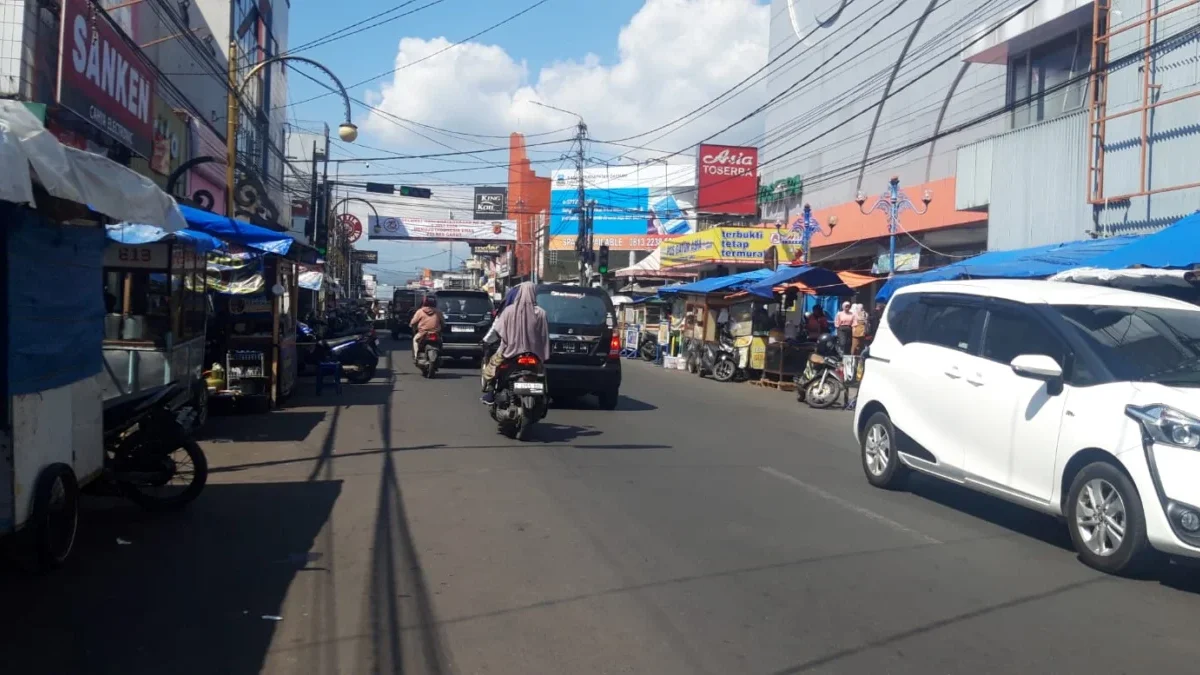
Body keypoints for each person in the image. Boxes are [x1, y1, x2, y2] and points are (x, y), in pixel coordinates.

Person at [481, 282, 550, 404]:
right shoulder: (541, 313)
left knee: (492, 367)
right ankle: (545, 396)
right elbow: (544, 335)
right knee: (541, 372)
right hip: (534, 353)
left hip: (509, 352)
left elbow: (498, 330)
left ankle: (491, 394)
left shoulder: (508, 311)